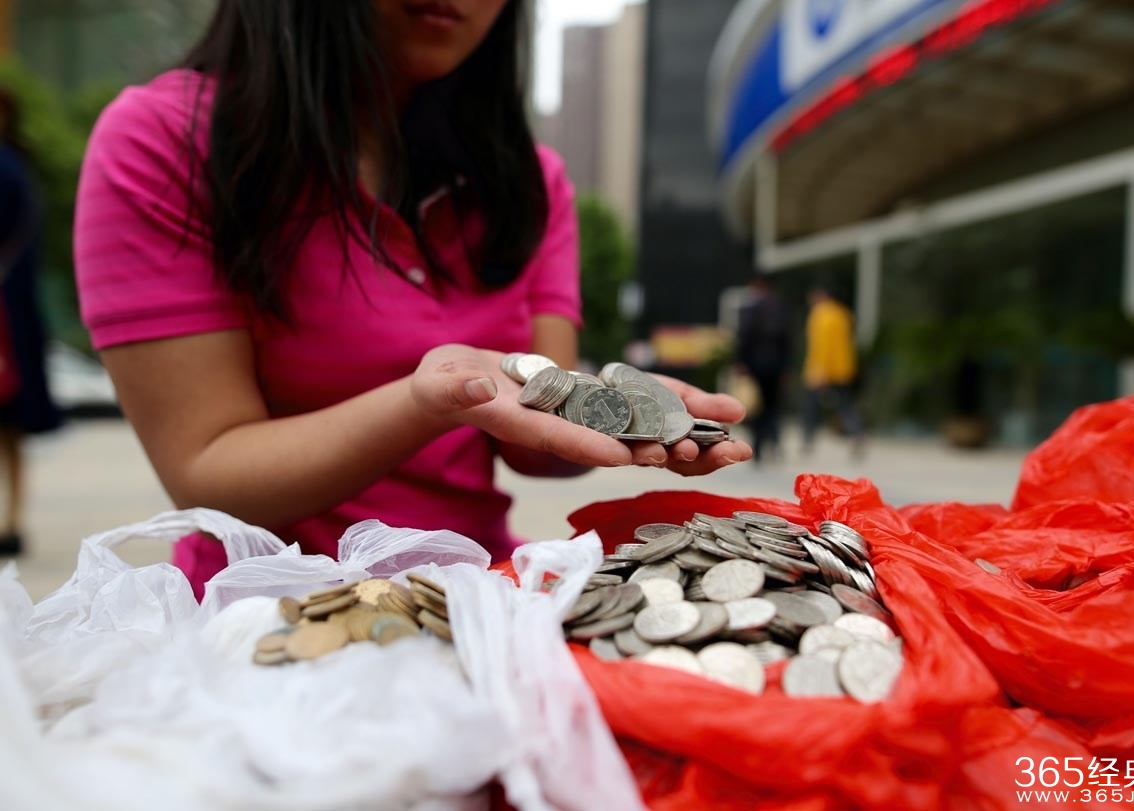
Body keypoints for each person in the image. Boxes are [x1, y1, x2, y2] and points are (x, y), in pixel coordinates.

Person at [74, 0, 751, 598]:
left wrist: (619, 416)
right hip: (257, 619)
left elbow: (539, 435)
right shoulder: (160, 141)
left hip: (478, 598)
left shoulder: (527, 180)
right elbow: (205, 469)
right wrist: (426, 400)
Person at [0, 87, 64, 557]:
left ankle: (13, 521)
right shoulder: (18, 169)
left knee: (10, 428)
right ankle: (12, 520)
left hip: (7, 321)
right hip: (11, 315)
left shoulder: (10, 168)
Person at [736, 276, 792, 463]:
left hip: (756, 366)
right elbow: (787, 341)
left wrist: (741, 363)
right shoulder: (781, 309)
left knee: (757, 407)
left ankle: (758, 447)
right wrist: (786, 367)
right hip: (776, 366)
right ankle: (774, 442)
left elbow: (744, 338)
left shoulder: (751, 310)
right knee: (773, 406)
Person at [802, 287, 864, 455]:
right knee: (845, 405)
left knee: (811, 408)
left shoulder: (820, 315)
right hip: (843, 368)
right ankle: (857, 434)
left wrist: (819, 371)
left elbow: (821, 345)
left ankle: (808, 441)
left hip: (822, 369)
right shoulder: (842, 313)